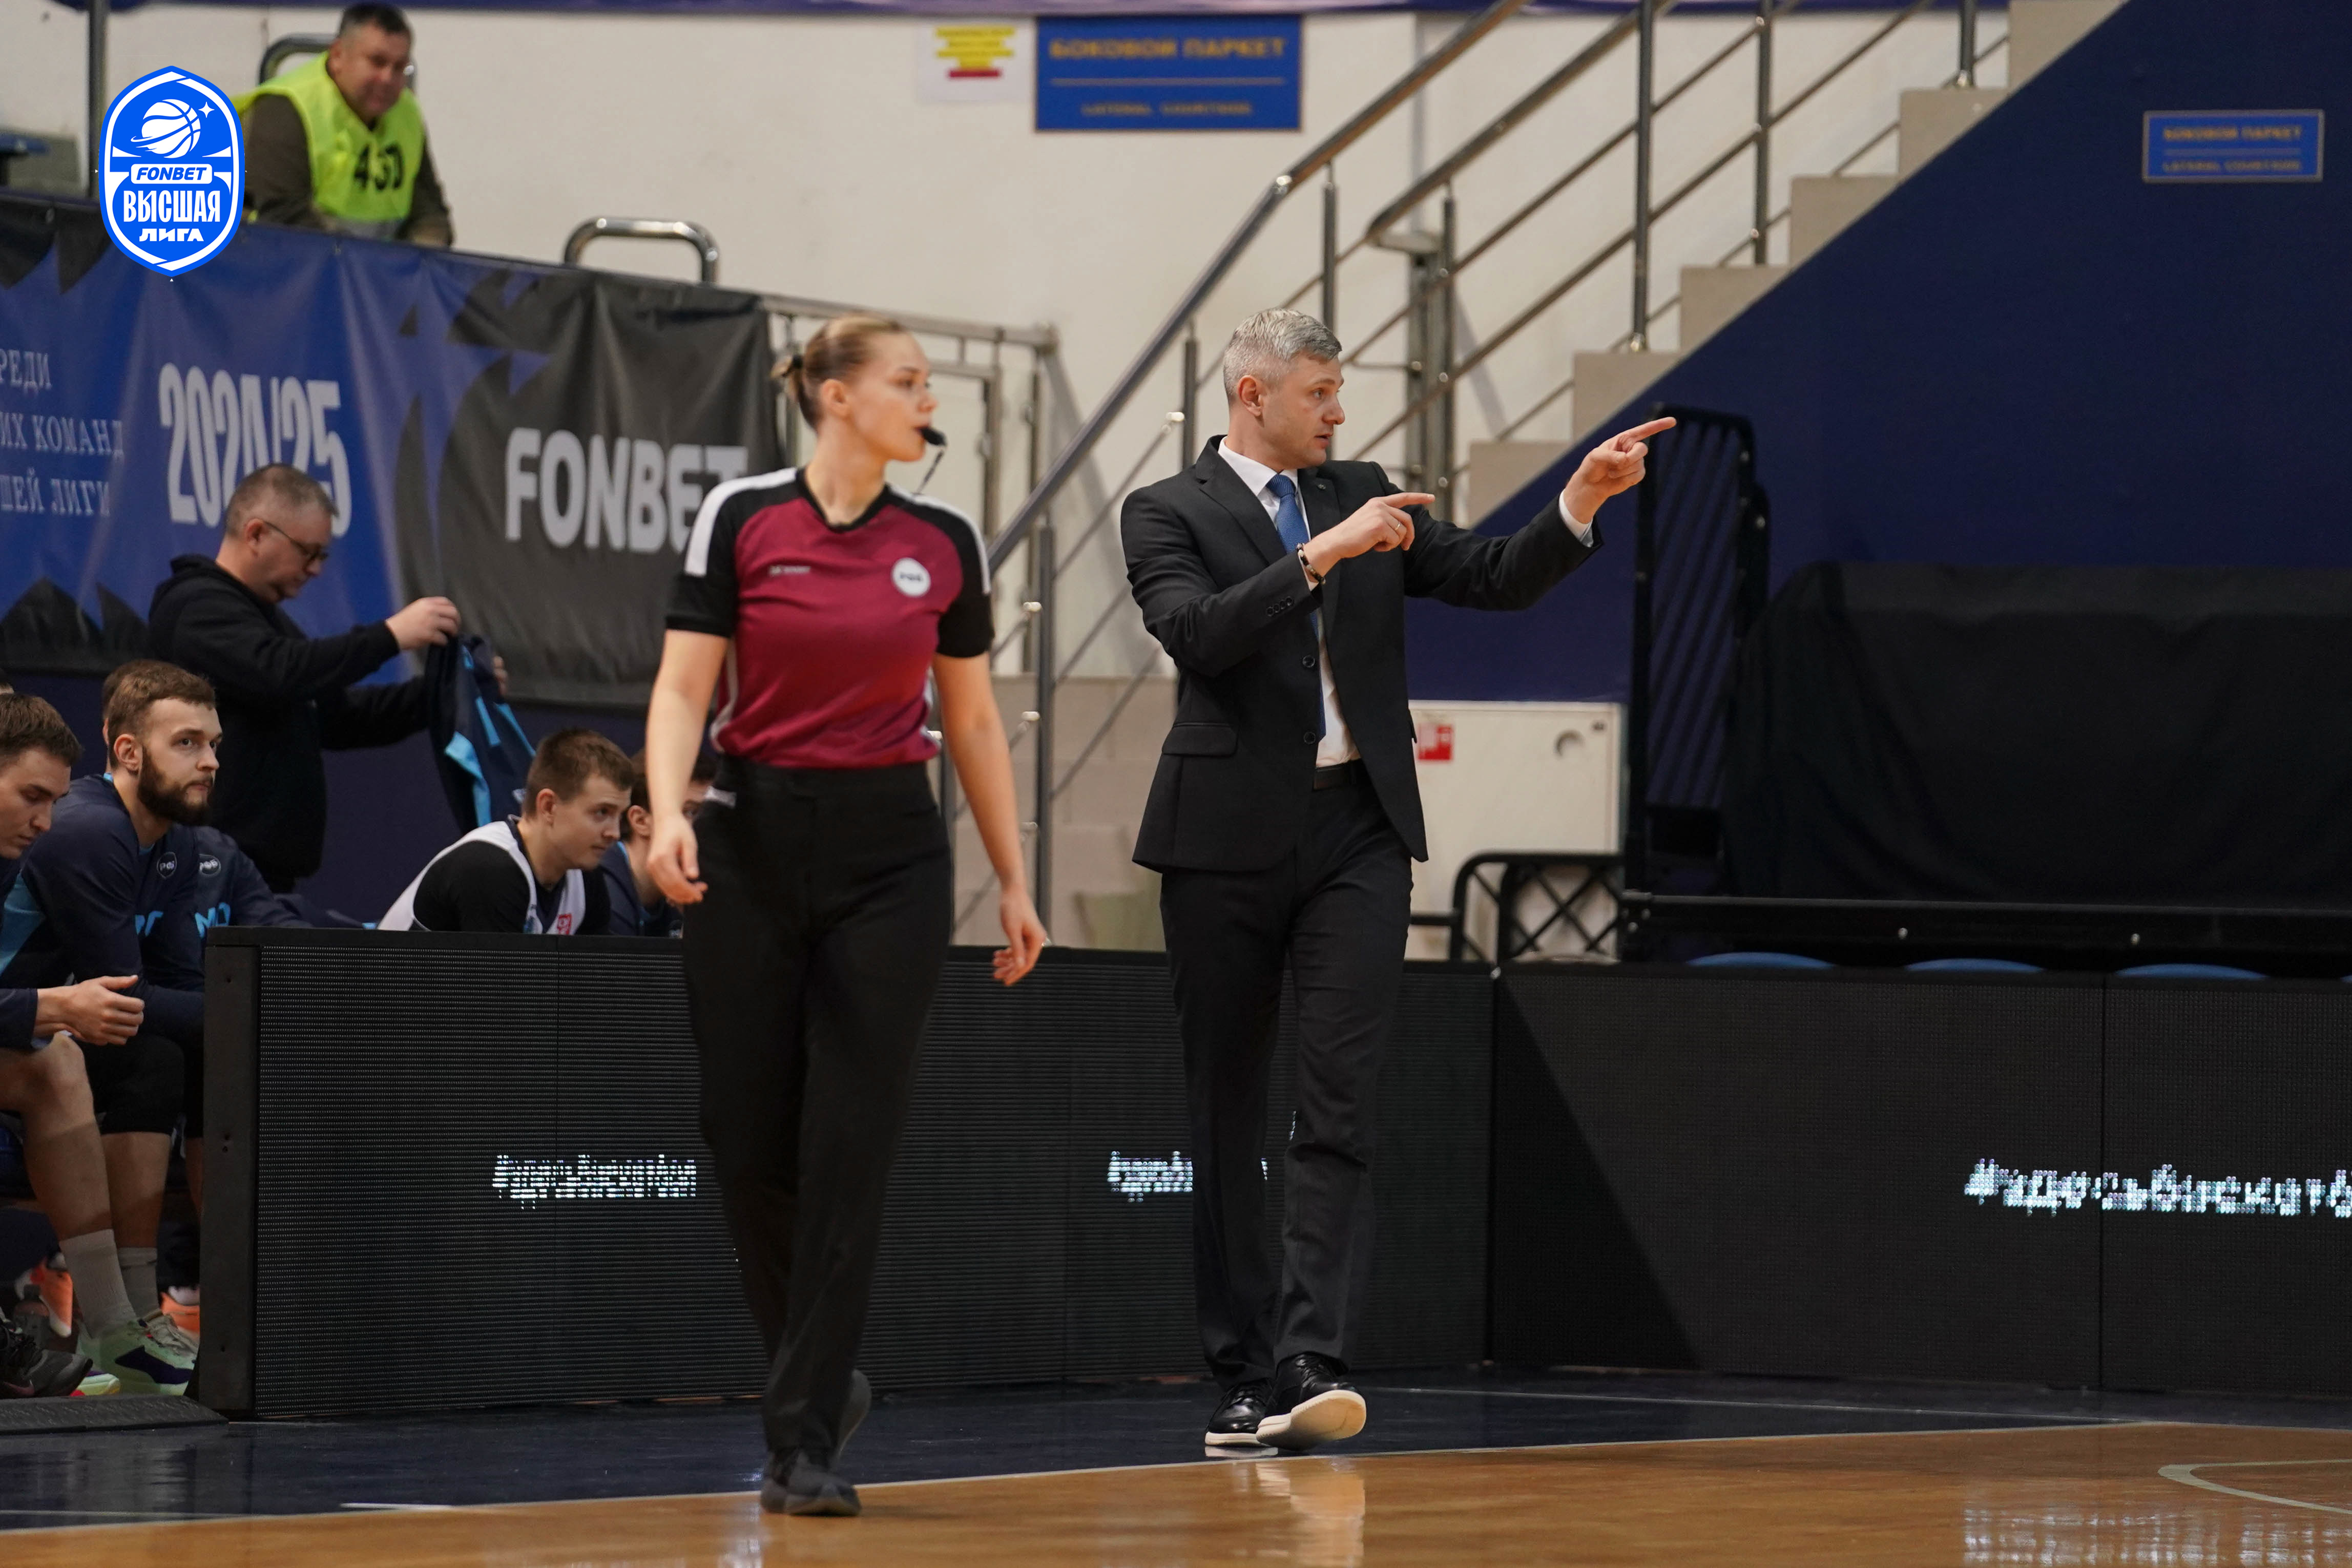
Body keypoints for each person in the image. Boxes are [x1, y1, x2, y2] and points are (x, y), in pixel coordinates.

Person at [1121, 308, 1669, 1453]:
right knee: (1226, 1110)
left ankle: (1307, 1359)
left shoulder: (1364, 490)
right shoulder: (1167, 509)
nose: (1339, 411)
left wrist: (1579, 502)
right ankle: (1238, 1373)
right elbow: (1198, 633)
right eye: (1318, 392)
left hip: (1357, 830)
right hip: (1221, 840)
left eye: (1339, 390)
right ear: (1254, 395)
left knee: (1338, 1102)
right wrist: (1321, 554)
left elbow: (1490, 576)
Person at [642, 313, 1047, 1517]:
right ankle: (814, 1374)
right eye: (907, 381)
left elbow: (972, 719)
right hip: (750, 837)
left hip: (890, 856)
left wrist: (1013, 878)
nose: (930, 401)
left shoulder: (944, 539)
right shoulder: (742, 517)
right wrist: (666, 811)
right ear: (835, 397)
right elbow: (682, 686)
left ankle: (803, 1438)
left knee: (848, 1149)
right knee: (745, 1138)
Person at [1, 664, 224, 1394]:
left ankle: (148, 1317)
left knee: (187, 1056)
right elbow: (126, 996)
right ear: (128, 751)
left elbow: (175, 986)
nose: (209, 761)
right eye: (187, 742)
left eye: (213, 744)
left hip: (29, 1029)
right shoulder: (90, 829)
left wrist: (249, 1018)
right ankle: (117, 1318)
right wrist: (44, 1008)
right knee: (125, 1054)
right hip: (31, 1027)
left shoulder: (176, 844)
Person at [148, 463, 472, 893]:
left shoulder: (265, 623)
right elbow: (280, 672)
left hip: (260, 873)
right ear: (256, 534)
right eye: (308, 552)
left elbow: (340, 716)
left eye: (323, 556)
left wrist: (443, 692)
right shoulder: (196, 607)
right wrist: (391, 636)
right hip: (208, 868)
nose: (316, 569)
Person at [234, 3, 453, 246]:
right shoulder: (283, 110)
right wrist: (369, 264)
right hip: (286, 263)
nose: (388, 79)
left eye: (400, 67)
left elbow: (431, 214)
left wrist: (420, 256)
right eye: (377, 62)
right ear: (338, 56)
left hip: (372, 267)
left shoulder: (406, 111)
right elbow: (285, 220)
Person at [380, 728, 630, 934]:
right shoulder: (488, 868)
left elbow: (595, 979)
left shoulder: (585, 879)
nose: (615, 833)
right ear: (549, 807)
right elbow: (502, 983)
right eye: (602, 812)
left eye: (619, 816)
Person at [602, 750, 716, 937]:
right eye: (690, 812)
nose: (707, 827)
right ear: (641, 821)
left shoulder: (687, 885)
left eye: (710, 813)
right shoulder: (603, 891)